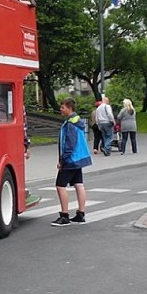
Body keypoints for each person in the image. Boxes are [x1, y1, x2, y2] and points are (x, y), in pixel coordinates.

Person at [51, 97, 91, 226]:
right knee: (78, 184)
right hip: (78, 158)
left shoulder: (70, 124)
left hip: (71, 159)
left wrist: (62, 160)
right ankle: (81, 213)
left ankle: (64, 215)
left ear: (69, 108)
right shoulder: (77, 121)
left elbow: (69, 143)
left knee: (60, 185)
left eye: (63, 107)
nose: (60, 109)